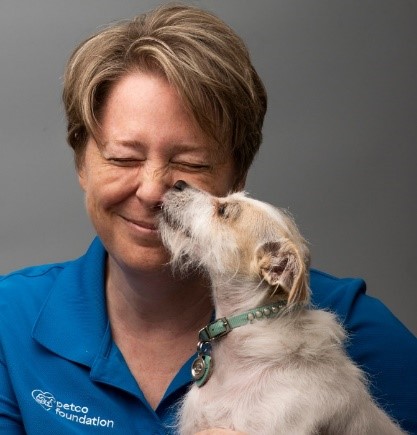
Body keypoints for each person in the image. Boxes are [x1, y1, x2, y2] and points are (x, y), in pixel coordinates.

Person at [0, 3, 416, 434]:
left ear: (237, 175)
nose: (154, 191)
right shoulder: (9, 319)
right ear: (81, 165)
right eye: (124, 157)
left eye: (192, 164)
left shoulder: (348, 324)